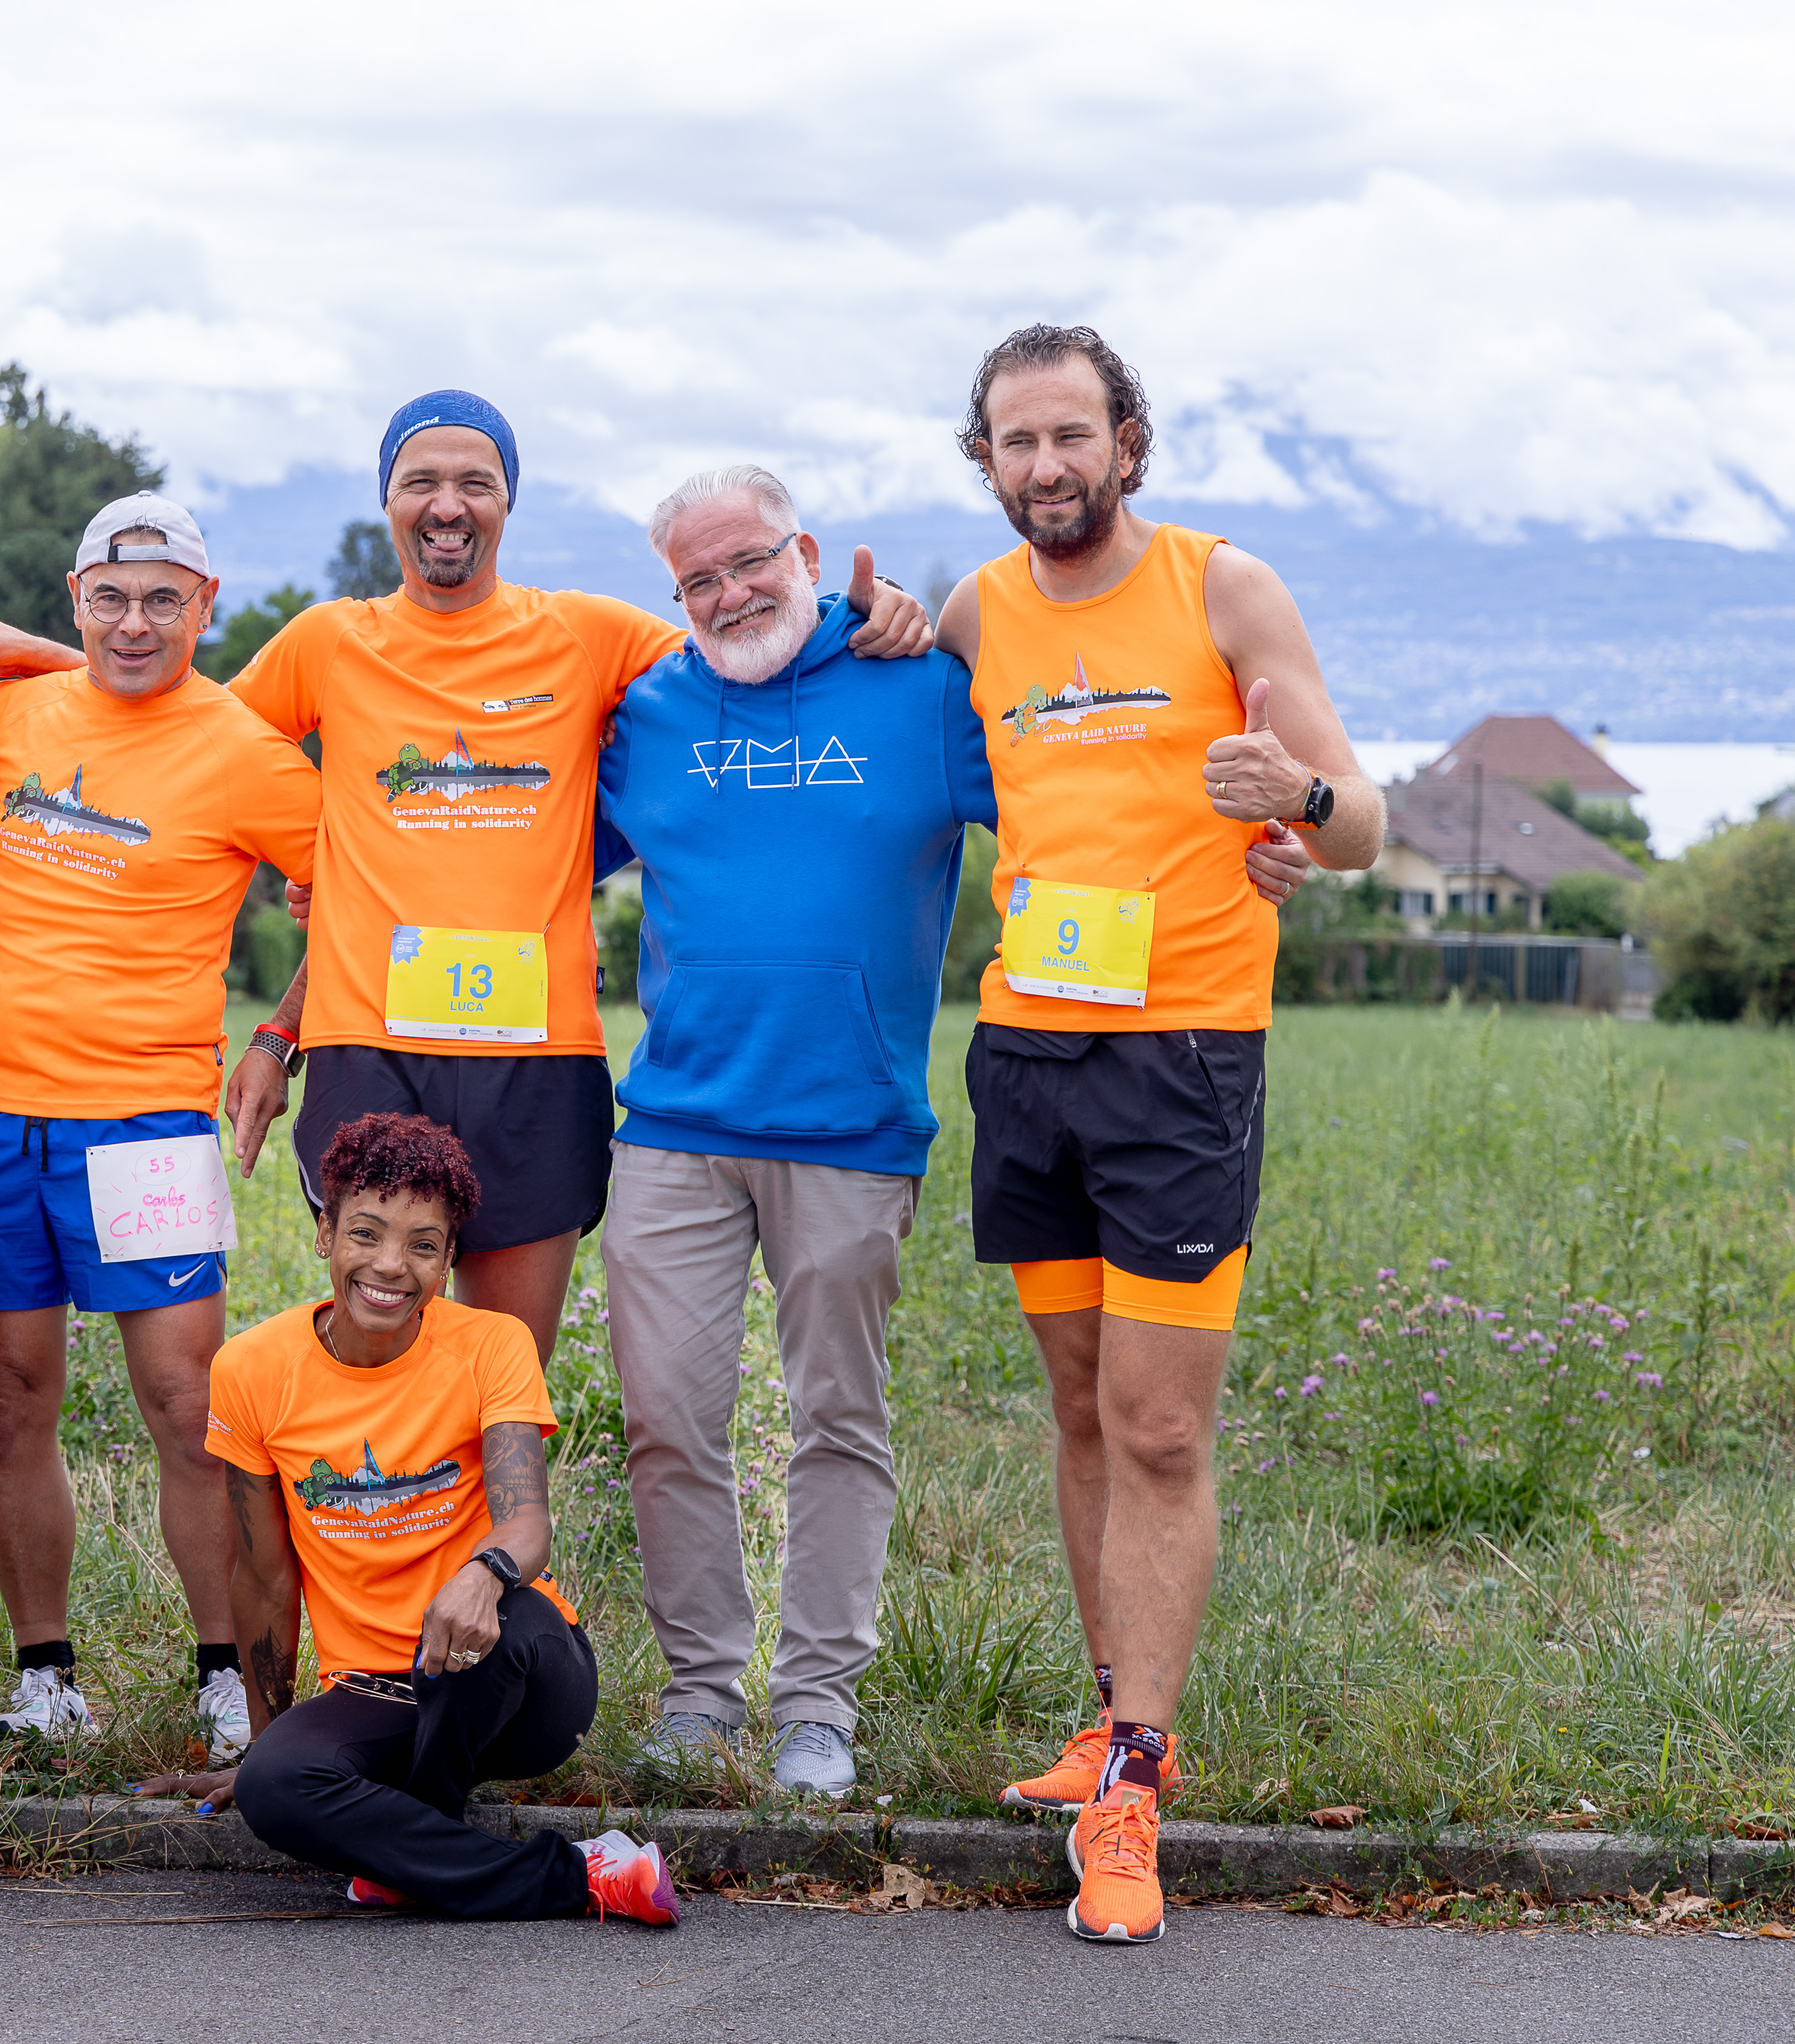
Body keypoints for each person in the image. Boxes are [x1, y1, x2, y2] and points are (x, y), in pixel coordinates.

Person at [592, 466, 1314, 1802]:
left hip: (852, 1130)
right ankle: (700, 1697)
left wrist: (1267, 832)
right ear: (673, 594)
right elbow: (508, 848)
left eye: (752, 561)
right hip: (674, 1126)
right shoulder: (646, 714)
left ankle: (817, 1709)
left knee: (837, 1420)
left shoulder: (919, 690)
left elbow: (1093, 796)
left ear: (808, 551)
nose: (732, 593)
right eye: (699, 579)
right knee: (666, 1420)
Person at [934, 324, 1384, 1944]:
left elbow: (1362, 819)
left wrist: (1294, 802)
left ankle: (1130, 1786)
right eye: (1015, 440)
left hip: (1182, 1059)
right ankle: (1112, 1712)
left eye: (1071, 433)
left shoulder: (1220, 586)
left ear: (1126, 439)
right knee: (1077, 1404)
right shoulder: (975, 611)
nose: (1045, 464)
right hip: (1026, 1049)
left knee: (1160, 1427)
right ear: (985, 461)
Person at [221, 391, 932, 1366]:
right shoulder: (326, 641)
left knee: (506, 1365)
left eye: (476, 482)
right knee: (380, 1351)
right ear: (386, 500)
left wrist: (873, 603)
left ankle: (500, 1479)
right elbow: (191, 746)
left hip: (538, 1055)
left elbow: (750, 640)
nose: (448, 504)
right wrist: (297, 954)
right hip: (371, 1049)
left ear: (508, 502)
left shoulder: (590, 634)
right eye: (421, 481)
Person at [0, 494, 322, 1757]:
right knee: (11, 1396)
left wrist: (279, 1033)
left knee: (188, 1404)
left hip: (146, 1126)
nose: (137, 623)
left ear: (206, 605)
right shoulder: (14, 713)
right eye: (113, 599)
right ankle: (48, 1677)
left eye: (163, 600)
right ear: (77, 600)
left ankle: (228, 1676)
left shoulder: (246, 750)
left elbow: (358, 892)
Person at [137, 1113, 678, 1926]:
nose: (391, 1265)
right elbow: (265, 1578)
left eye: (424, 1245)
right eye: (366, 1233)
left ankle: (405, 1846)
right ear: (325, 1234)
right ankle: (577, 1872)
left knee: (482, 1637)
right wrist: (267, 1742)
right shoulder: (251, 1369)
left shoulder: (492, 1344)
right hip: (375, 1692)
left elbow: (527, 1525)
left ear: (449, 1259)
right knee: (276, 1787)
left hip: (516, 1676)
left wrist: (481, 1576)